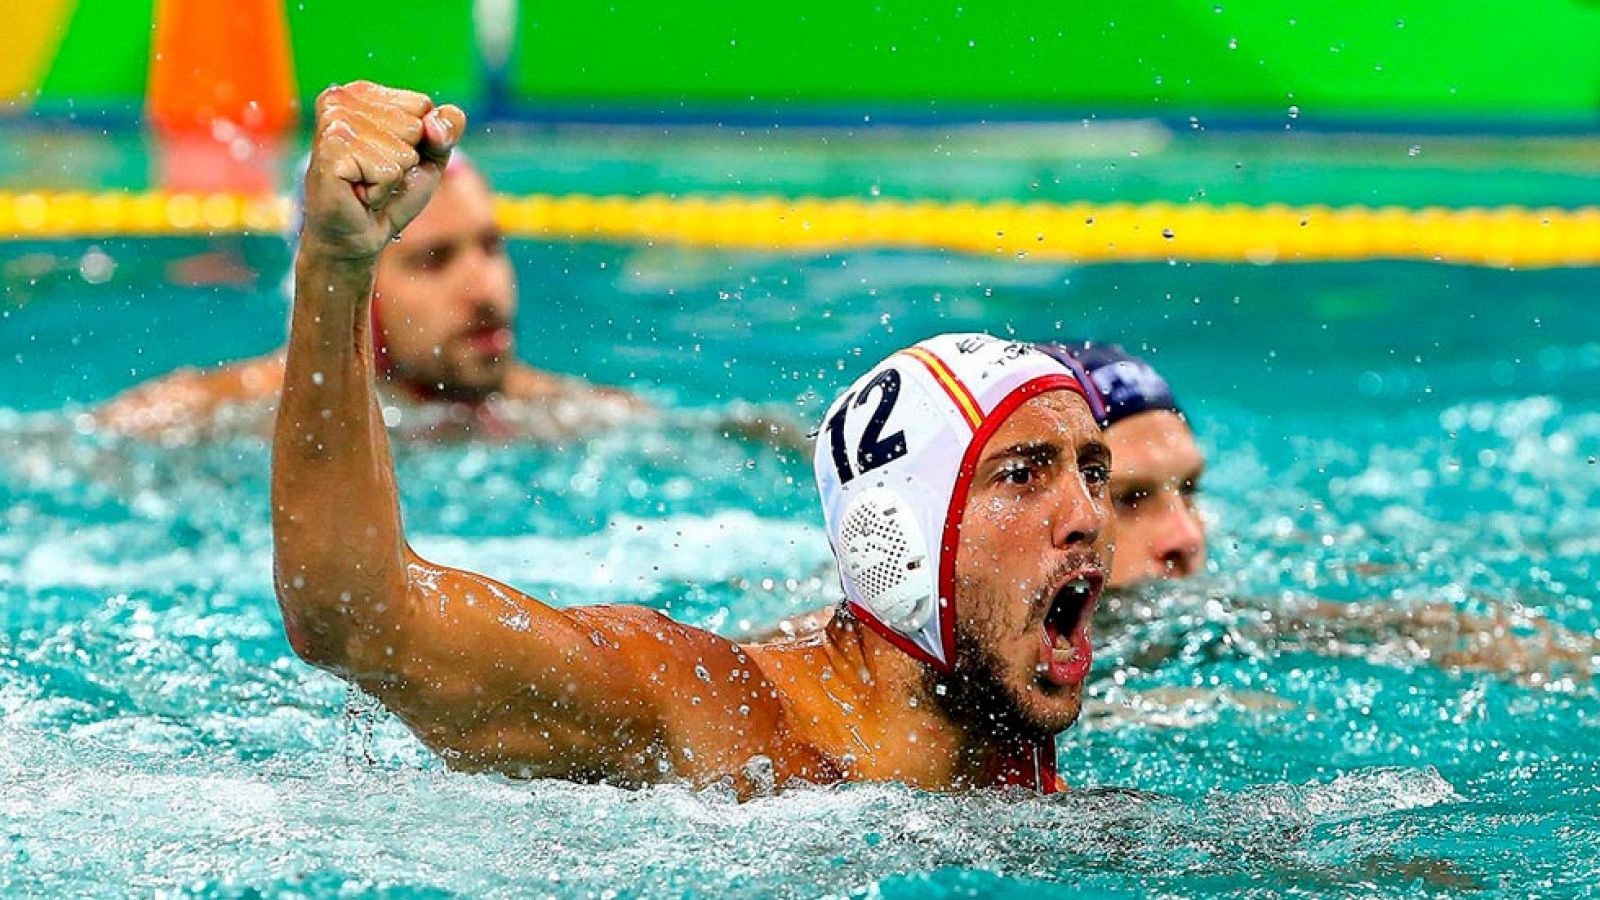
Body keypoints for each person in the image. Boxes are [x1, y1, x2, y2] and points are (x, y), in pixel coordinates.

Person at [274, 80, 1117, 793]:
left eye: (1093, 472)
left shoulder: (1011, 754)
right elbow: (358, 620)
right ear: (903, 539)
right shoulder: (708, 712)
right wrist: (339, 269)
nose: (1085, 515)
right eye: (1021, 475)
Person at [97, 148, 639, 442]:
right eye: (434, 260)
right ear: (347, 288)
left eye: (491, 246)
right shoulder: (217, 417)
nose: (485, 290)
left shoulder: (574, 417)